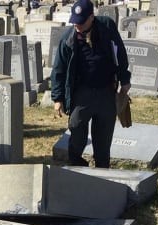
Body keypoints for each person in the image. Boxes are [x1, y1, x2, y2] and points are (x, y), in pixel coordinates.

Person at [50, 0, 131, 168]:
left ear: (91, 17)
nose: (77, 25)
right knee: (77, 129)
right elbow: (59, 69)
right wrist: (57, 98)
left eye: (81, 21)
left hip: (106, 91)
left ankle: (102, 171)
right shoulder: (68, 40)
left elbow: (120, 53)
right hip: (81, 93)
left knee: (103, 136)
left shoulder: (107, 27)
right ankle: (77, 165)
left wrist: (125, 79)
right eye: (75, 21)